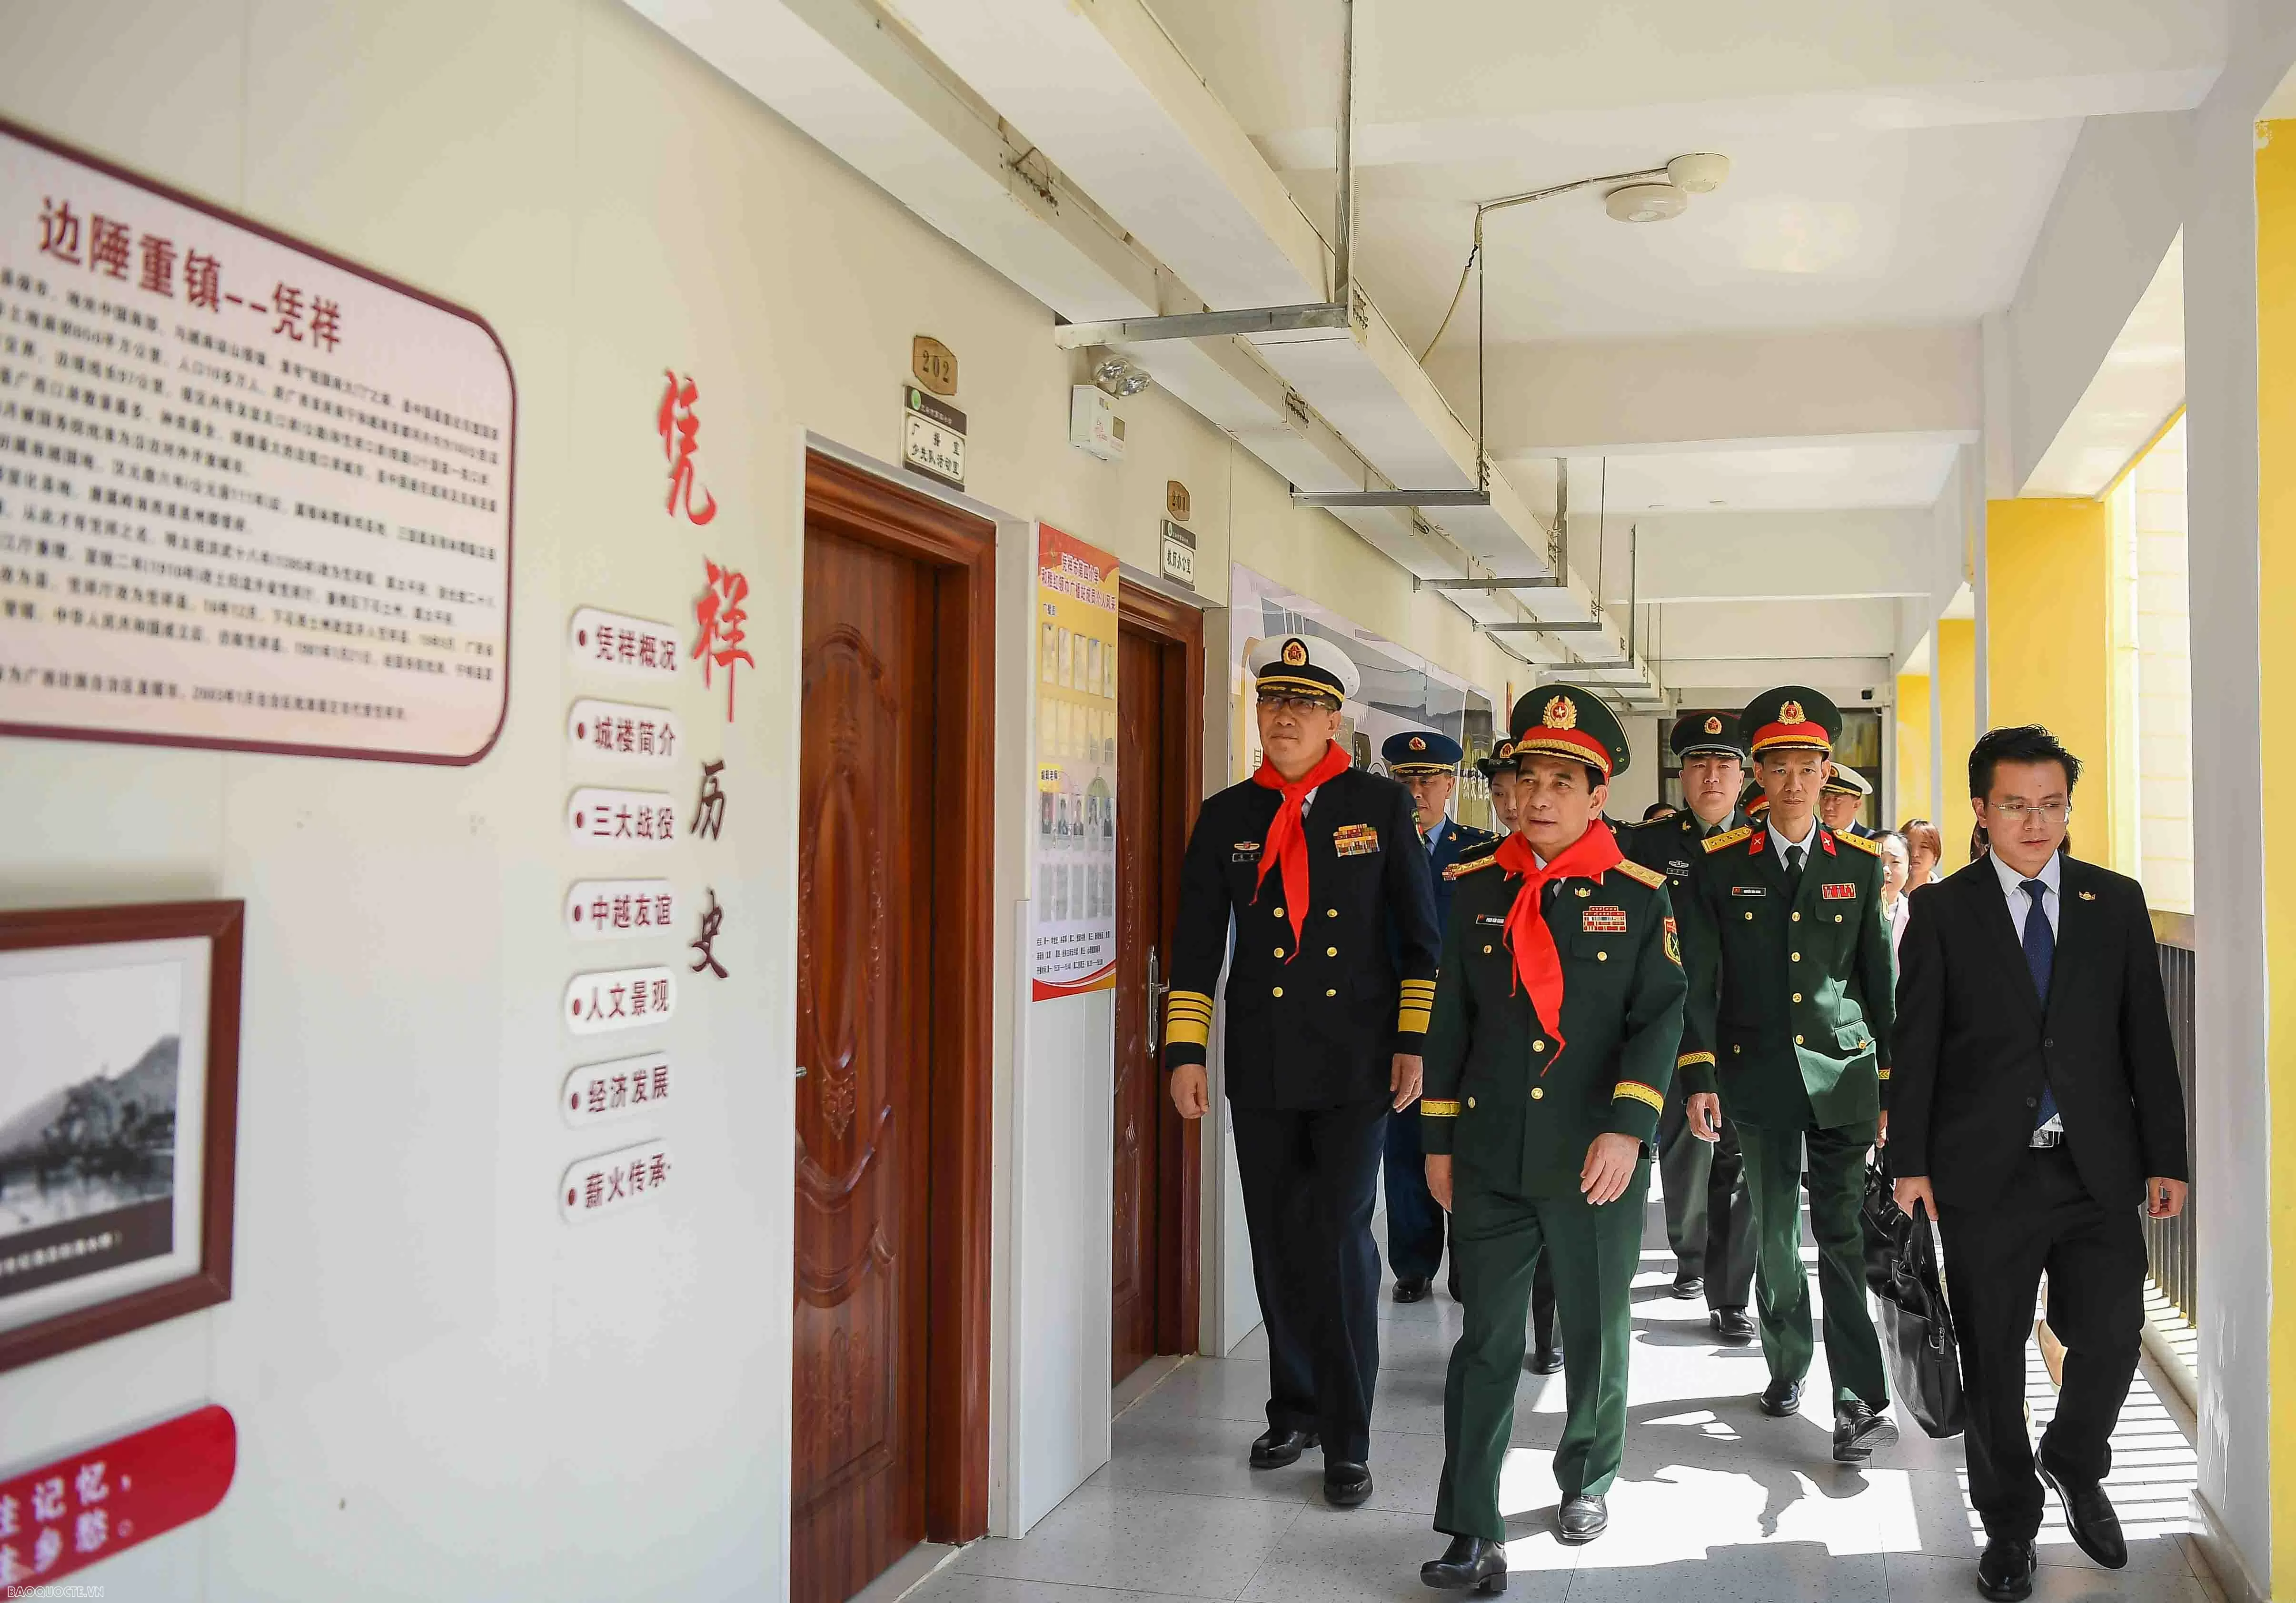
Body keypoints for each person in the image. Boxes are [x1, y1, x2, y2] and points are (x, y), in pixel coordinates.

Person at [1888, 726, 2189, 1603]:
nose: (2035, 821)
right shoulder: (1944, 910)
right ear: (1980, 810)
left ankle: (2073, 1455)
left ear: (2067, 807)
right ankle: (2009, 1528)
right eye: (2014, 804)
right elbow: (1918, 1048)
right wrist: (1908, 1161)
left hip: (2095, 1168)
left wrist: (2164, 1156)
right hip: (1984, 1173)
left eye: (2051, 803)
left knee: (2109, 1332)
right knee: (1991, 1359)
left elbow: (2146, 1039)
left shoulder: (2114, 901)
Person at [1163, 635, 1440, 1508]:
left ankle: (1348, 1437)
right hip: (1264, 1057)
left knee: (1342, 1238)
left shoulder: (1377, 806)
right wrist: (1183, 1050)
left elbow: (1418, 937)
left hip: (1356, 1061)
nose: (1280, 717)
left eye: (1300, 703)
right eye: (1269, 701)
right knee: (1279, 1237)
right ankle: (1295, 1404)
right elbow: (1197, 942)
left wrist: (1411, 1041)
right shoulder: (1228, 814)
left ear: (1334, 719)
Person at [1418, 686, 1685, 1585]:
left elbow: (1657, 1020)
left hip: (1591, 1159)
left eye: (1560, 780)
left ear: (1596, 793)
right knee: (1485, 1340)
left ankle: (1586, 1473)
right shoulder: (1473, 890)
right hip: (1490, 1151)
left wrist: (1627, 1129)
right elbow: (1447, 1020)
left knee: (1596, 1327)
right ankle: (1469, 1523)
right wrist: (1438, 1139)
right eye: (1524, 777)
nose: (1537, 795)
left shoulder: (1639, 895)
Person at [1675, 685, 1898, 1464]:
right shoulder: (1717, 864)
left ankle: (1856, 1399)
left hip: (1842, 1073)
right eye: (1779, 767)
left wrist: (1892, 1085)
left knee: (1837, 1234)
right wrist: (1698, 1072)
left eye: (1808, 767)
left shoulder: (1861, 864)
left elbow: (1878, 978)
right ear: (1757, 775)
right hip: (1755, 1073)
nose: (1795, 781)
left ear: (1825, 770)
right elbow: (1697, 979)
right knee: (1773, 1232)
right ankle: (1786, 1360)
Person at [1623, 712, 1758, 1343]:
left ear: (1741, 776)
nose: (1711, 775)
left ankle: (1728, 1293)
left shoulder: (1762, 844)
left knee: (1739, 1159)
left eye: (1723, 764)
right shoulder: (1647, 847)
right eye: (1699, 764)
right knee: (1682, 1146)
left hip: (1743, 1023)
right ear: (1682, 775)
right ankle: (1688, 1252)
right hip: (1671, 1025)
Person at [1382, 729, 1499, 1304]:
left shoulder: (1478, 852)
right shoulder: (1370, 849)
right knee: (1404, 1143)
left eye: (1428, 779)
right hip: (1398, 1018)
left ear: (1450, 784)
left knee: (1465, 1140)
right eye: (1405, 778)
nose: (1417, 791)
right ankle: (1411, 1261)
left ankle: (1467, 1263)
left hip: (1465, 1023)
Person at [1473, 739, 1562, 1371]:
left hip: (1568, 1114)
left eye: (1542, 785)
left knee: (1557, 1249)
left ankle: (1547, 1333)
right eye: (1509, 788)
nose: (1520, 802)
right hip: (1494, 1107)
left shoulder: (1620, 885)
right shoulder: (1475, 878)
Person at [1876, 830, 1912, 960]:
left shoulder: (1917, 915)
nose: (1885, 870)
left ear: (1909, 870)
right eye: (1877, 860)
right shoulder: (1847, 913)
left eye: (1895, 862)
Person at [1819, 764, 1878, 838]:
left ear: (1856, 805)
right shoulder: (1809, 838)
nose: (1828, 807)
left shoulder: (1871, 841)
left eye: (1837, 800)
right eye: (1825, 798)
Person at [1899, 818, 1944, 890]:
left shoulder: (1945, 892)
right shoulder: (1888, 893)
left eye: (1924, 847)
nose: (1915, 854)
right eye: (1909, 846)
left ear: (1936, 854)